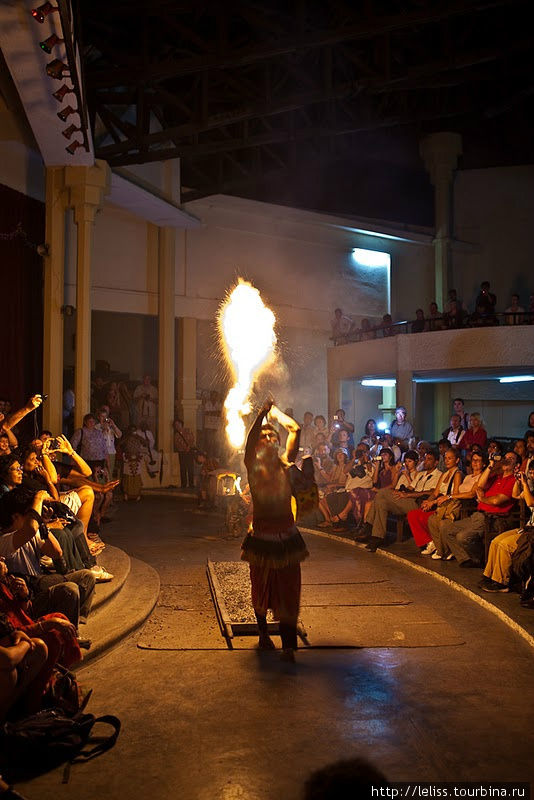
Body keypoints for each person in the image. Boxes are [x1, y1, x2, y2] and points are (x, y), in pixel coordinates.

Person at [241, 399, 308, 661]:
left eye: (273, 436)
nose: (269, 439)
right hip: (261, 539)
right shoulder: (253, 467)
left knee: (289, 592)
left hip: (288, 539)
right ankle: (263, 634)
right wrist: (260, 417)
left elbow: (296, 430)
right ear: (258, 443)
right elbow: (248, 443)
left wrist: (274, 412)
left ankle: (289, 645)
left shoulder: (286, 465)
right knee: (261, 588)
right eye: (264, 436)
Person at [439, 451, 519, 567]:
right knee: (446, 528)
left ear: (516, 465)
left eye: (511, 459)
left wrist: (482, 499)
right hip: (478, 515)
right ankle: (466, 559)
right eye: (505, 458)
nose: (506, 460)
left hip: (492, 518)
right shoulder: (496, 477)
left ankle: (480, 558)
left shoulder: (513, 480)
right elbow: (479, 485)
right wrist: (491, 465)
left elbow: (497, 501)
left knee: (463, 536)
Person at [359, 450, 442, 552]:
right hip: (409, 499)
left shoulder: (439, 475)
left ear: (436, 462)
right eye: (425, 459)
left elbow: (432, 492)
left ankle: (368, 525)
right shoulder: (421, 474)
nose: (425, 461)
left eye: (429, 459)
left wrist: (408, 494)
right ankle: (377, 538)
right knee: (381, 502)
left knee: (383, 492)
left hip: (420, 502)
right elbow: (411, 487)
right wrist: (401, 493)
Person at [479, 460, 534, 592]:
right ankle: (489, 576)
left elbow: (530, 502)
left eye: (533, 472)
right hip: (528, 527)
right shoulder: (531, 488)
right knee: (496, 541)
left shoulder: (530, 489)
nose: (532, 475)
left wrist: (525, 484)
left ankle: (502, 582)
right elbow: (515, 495)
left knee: (505, 545)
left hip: (532, 531)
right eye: (530, 472)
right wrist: (518, 481)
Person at [173, 418, 196, 489]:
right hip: (182, 453)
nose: (177, 426)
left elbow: (192, 439)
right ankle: (184, 484)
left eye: (178, 424)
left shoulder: (188, 431)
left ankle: (191, 484)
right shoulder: (176, 435)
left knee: (190, 468)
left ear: (181, 424)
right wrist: (183, 449)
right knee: (183, 468)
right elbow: (177, 444)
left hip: (189, 452)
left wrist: (189, 447)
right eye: (175, 425)